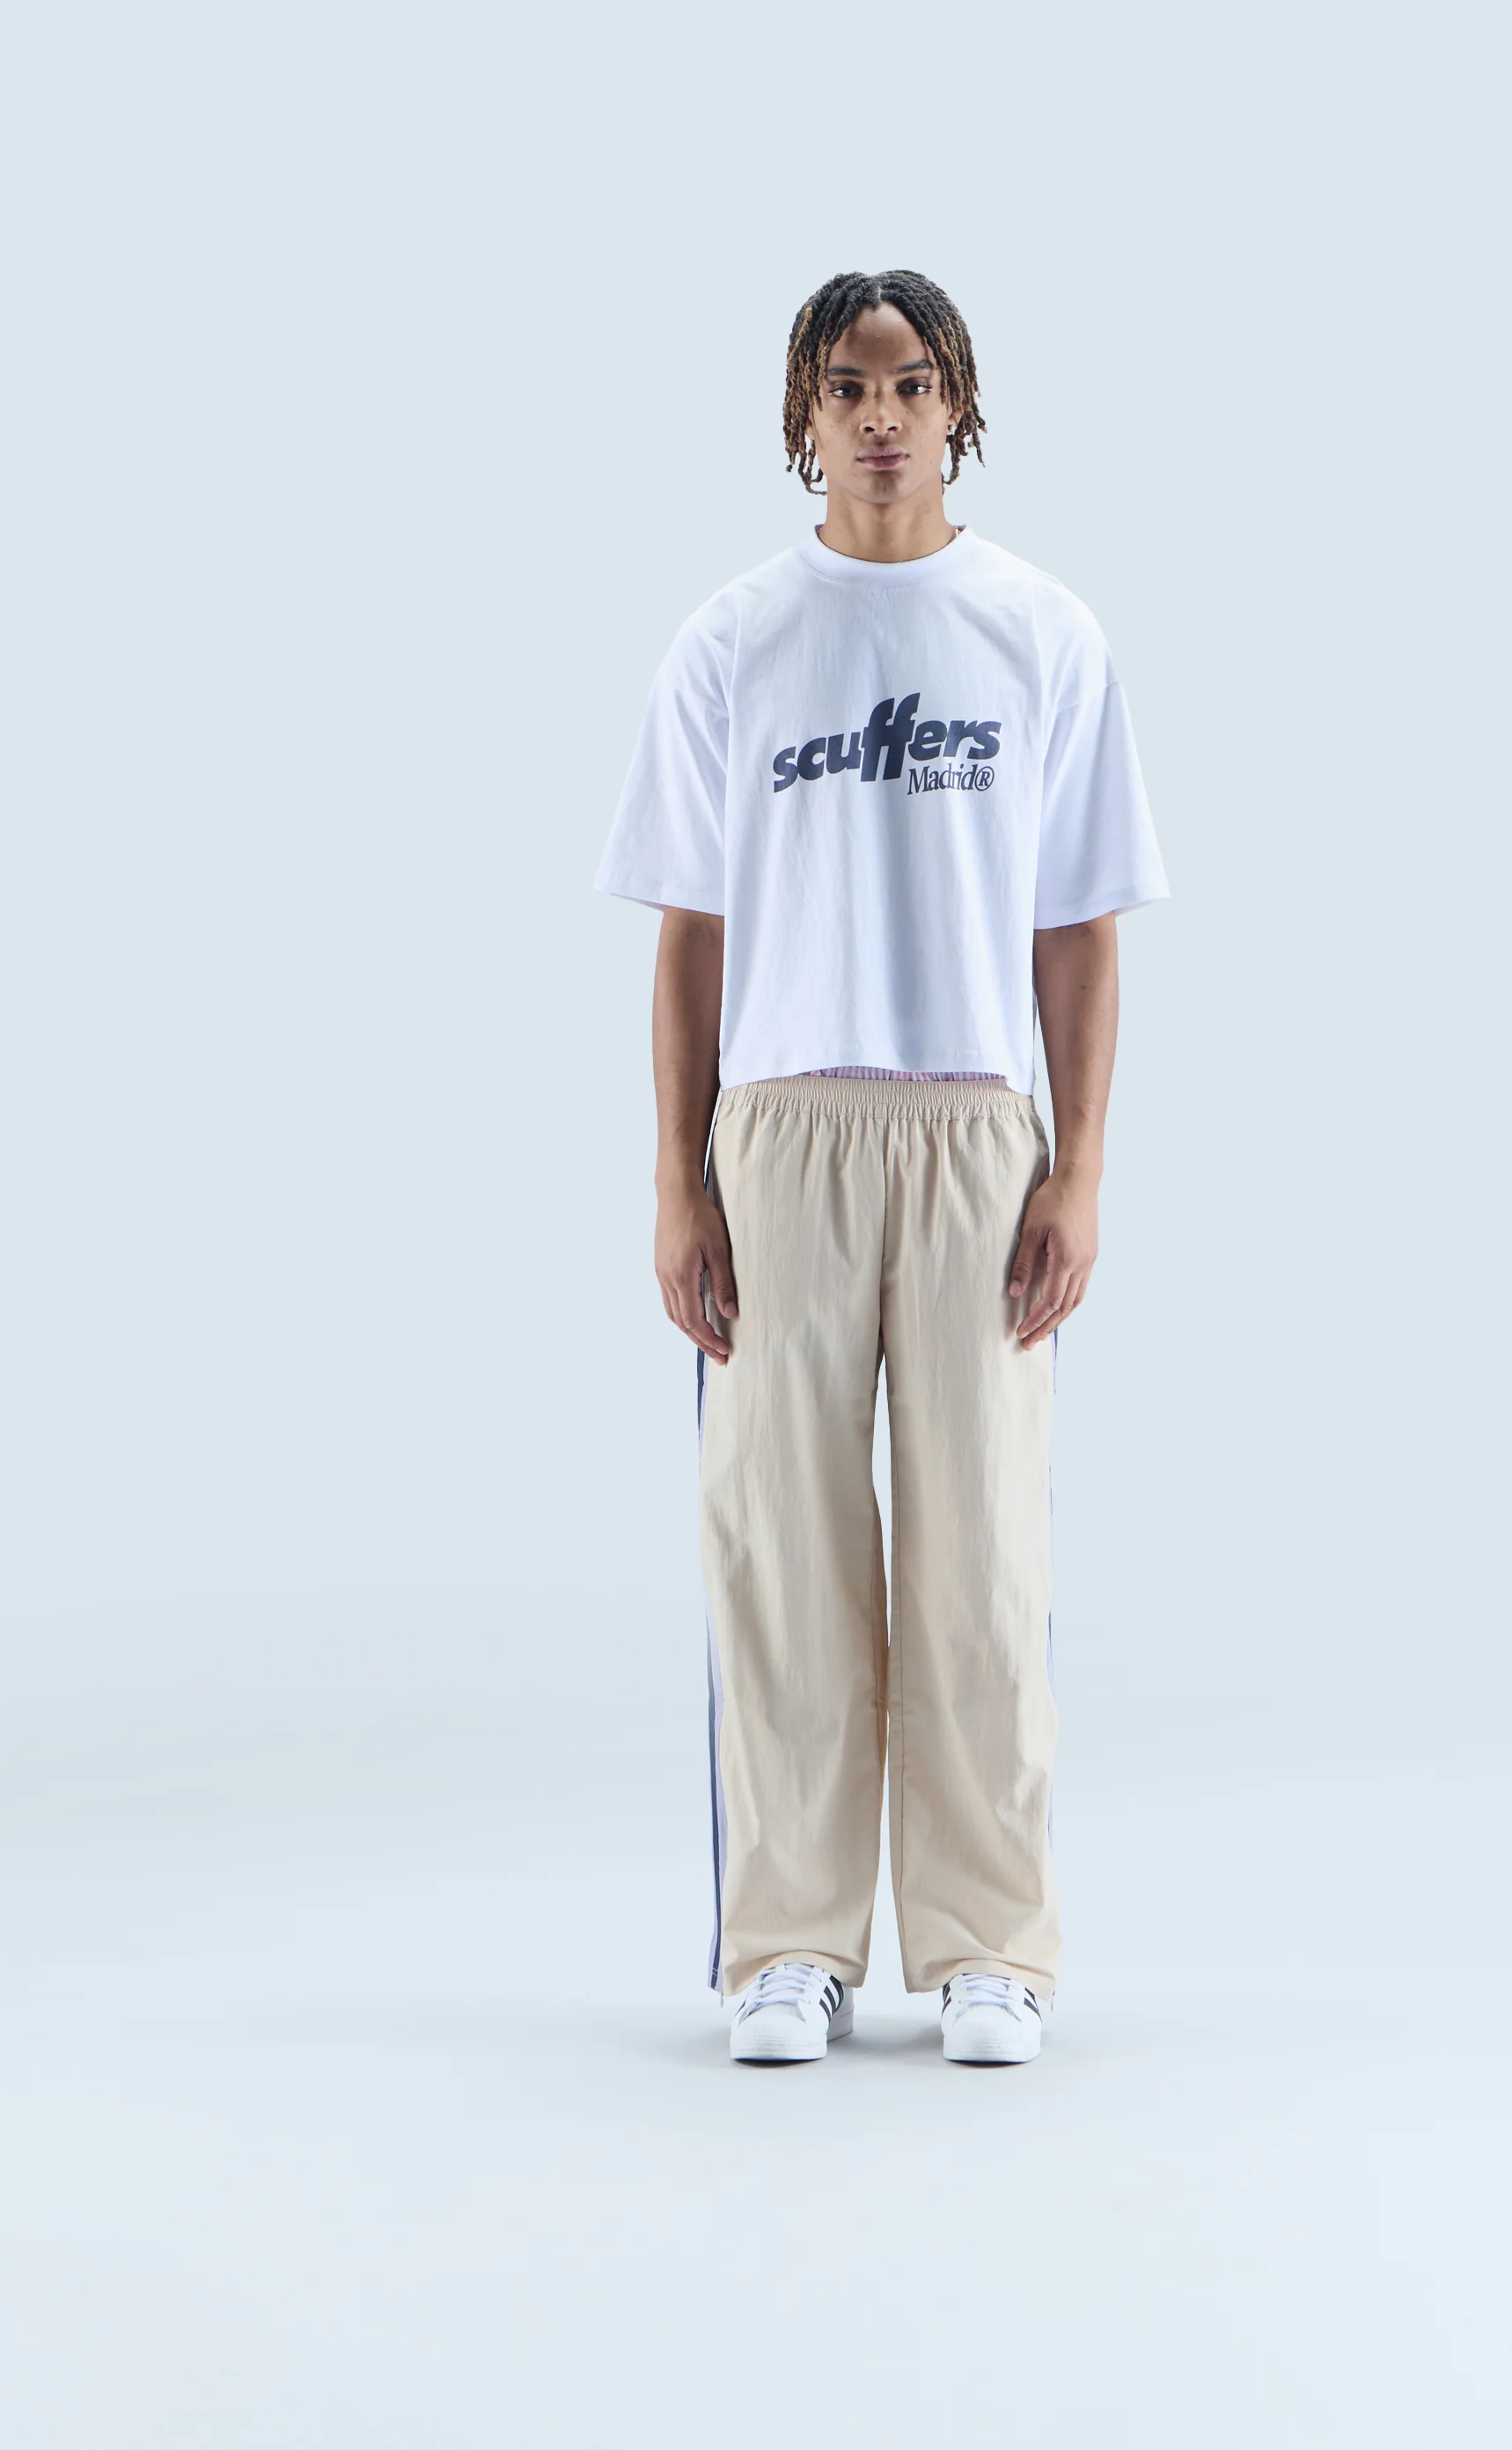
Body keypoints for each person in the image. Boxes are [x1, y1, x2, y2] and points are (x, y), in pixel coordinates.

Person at [596, 269, 1166, 2066]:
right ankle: (789, 1944)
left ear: (959, 407)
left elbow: (1079, 926)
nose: (881, 415)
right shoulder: (734, 641)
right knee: (780, 1544)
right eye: (847, 387)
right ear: (804, 416)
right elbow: (688, 931)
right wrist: (679, 1179)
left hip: (976, 1129)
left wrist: (1078, 1172)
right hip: (781, 1125)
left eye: (913, 384)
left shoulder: (1041, 633)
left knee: (981, 1547)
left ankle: (991, 1944)